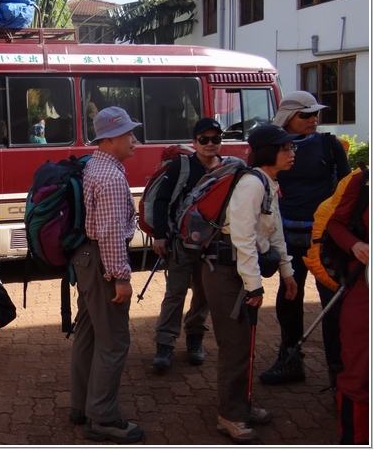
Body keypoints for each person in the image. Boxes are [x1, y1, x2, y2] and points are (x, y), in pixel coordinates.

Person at [203, 124, 299, 442]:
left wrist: (287, 272)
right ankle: (229, 416)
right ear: (270, 151)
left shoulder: (268, 182)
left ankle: (241, 405)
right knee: (235, 345)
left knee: (244, 342)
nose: (291, 153)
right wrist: (255, 284)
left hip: (237, 271)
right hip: (225, 272)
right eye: (285, 148)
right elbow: (243, 238)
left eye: (291, 148)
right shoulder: (252, 185)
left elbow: (274, 231)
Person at [259, 91, 350, 386]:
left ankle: (339, 374)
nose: (313, 120)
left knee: (333, 306)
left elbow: (346, 191)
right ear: (288, 119)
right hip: (286, 237)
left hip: (325, 240)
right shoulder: (273, 148)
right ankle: (290, 360)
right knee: (289, 299)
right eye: (305, 115)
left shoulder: (329, 145)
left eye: (315, 114)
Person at [69, 106, 144, 443]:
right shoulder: (112, 177)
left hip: (85, 260)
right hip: (103, 264)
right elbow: (112, 232)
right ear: (110, 138)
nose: (134, 140)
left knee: (87, 334)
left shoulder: (95, 166)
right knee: (113, 341)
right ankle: (103, 418)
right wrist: (121, 277)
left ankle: (81, 405)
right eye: (129, 134)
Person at [151, 118, 231, 370]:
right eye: (203, 139)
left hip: (212, 247)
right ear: (194, 142)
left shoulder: (228, 170)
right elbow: (161, 200)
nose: (210, 144)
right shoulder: (181, 166)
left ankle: (195, 339)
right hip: (181, 244)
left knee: (204, 295)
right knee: (175, 293)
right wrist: (160, 234)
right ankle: (165, 344)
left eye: (215, 139)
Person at [325, 168, 369, 445]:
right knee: (358, 371)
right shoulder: (363, 181)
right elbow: (335, 223)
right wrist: (355, 245)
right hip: (364, 287)